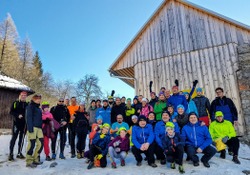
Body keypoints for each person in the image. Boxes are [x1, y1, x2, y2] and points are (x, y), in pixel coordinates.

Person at [9, 91, 29, 161]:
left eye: (25, 95)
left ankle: (19, 153)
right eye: (22, 95)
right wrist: (17, 115)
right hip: (16, 124)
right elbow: (11, 112)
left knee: (22, 139)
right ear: (20, 95)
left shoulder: (28, 104)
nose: (23, 96)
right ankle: (11, 154)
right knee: (14, 138)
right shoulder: (15, 103)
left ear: (26, 97)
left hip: (24, 125)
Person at [25, 94, 43, 168]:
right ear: (33, 99)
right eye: (37, 98)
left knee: (40, 144)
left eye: (39, 98)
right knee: (31, 144)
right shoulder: (30, 106)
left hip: (39, 128)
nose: (38, 100)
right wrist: (30, 129)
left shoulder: (39, 108)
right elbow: (28, 118)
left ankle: (35, 159)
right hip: (32, 128)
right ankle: (29, 161)